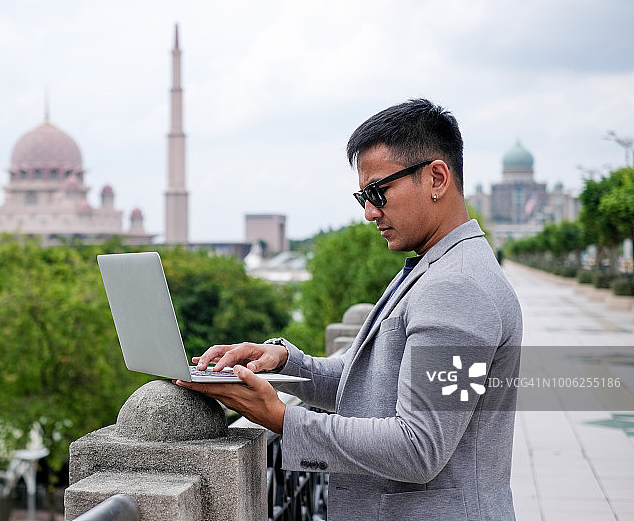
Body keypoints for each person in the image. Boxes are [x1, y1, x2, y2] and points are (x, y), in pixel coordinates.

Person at [176, 98, 522, 520]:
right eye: (362, 196)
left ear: (436, 177)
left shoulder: (458, 286)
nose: (369, 213)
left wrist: (283, 419)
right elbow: (376, 384)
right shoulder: (440, 268)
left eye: (379, 192)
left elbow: (420, 448)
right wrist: (286, 364)